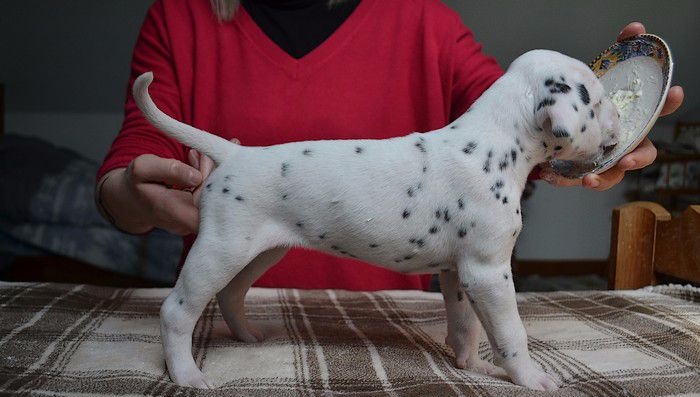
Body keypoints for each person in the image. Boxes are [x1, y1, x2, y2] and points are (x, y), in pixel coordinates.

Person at [95, 0, 684, 291]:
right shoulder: (178, 16)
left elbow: (514, 126)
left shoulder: (424, 19)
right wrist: (129, 194)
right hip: (228, 311)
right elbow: (137, 153)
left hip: (397, 326)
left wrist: (602, 126)